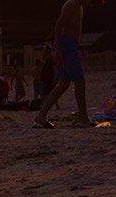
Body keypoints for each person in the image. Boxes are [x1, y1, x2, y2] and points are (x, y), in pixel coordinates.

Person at [34, 0, 96, 128]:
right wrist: (58, 51)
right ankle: (83, 117)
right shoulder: (72, 4)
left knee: (64, 83)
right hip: (66, 45)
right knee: (79, 81)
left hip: (70, 45)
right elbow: (58, 26)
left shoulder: (79, 6)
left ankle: (41, 115)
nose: (92, 4)